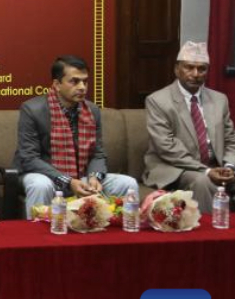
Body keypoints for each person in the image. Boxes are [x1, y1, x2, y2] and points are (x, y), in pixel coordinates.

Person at [14, 55, 137, 219]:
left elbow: (98, 154)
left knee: (128, 184)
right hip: (44, 175)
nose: (82, 87)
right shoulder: (32, 109)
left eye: (85, 81)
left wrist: (94, 177)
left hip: (80, 176)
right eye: (75, 81)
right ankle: (36, 238)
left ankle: (120, 238)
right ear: (57, 84)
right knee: (40, 185)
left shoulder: (92, 111)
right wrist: (67, 181)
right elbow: (29, 158)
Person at [143, 41, 235, 212]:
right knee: (202, 181)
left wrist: (229, 167)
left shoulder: (219, 100)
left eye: (202, 69)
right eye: (189, 67)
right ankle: (211, 236)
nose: (195, 74)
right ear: (177, 69)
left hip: (217, 167)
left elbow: (230, 140)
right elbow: (166, 147)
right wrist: (207, 171)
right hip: (175, 168)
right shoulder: (158, 101)